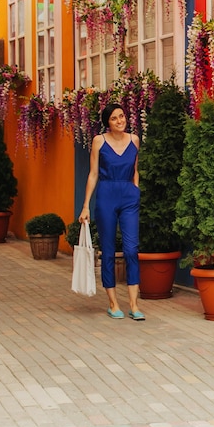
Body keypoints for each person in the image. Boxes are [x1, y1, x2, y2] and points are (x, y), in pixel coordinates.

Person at [78, 103, 145, 321]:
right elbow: (93, 174)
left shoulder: (135, 140)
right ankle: (113, 303)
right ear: (108, 122)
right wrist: (86, 205)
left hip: (128, 196)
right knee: (107, 250)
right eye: (114, 118)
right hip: (106, 195)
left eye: (122, 116)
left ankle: (134, 305)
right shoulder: (99, 141)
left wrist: (135, 189)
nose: (120, 121)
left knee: (131, 249)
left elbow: (135, 169)